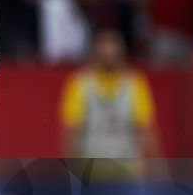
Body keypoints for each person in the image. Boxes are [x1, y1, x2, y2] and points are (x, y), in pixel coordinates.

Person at [59, 29, 159, 159]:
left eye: (111, 53)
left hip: (126, 165)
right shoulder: (80, 83)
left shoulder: (135, 83)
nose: (108, 56)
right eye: (103, 53)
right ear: (94, 55)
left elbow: (146, 129)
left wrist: (156, 169)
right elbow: (70, 130)